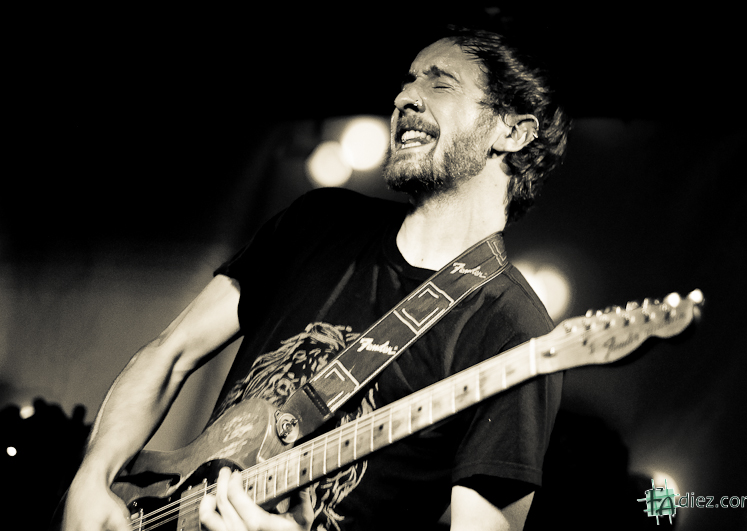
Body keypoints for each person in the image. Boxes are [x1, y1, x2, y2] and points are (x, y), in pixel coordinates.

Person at [61, 28, 570, 531]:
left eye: (440, 84)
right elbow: (170, 354)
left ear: (513, 132)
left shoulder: (513, 331)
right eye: (407, 81)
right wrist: (92, 477)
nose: (404, 98)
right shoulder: (318, 222)